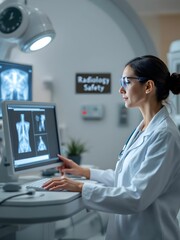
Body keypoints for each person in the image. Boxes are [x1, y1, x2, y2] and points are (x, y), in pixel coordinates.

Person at [43, 55, 180, 240]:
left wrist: (81, 187)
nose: (120, 89)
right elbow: (126, 179)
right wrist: (84, 172)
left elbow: (136, 197)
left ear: (148, 86)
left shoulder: (164, 134)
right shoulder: (145, 128)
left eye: (126, 81)